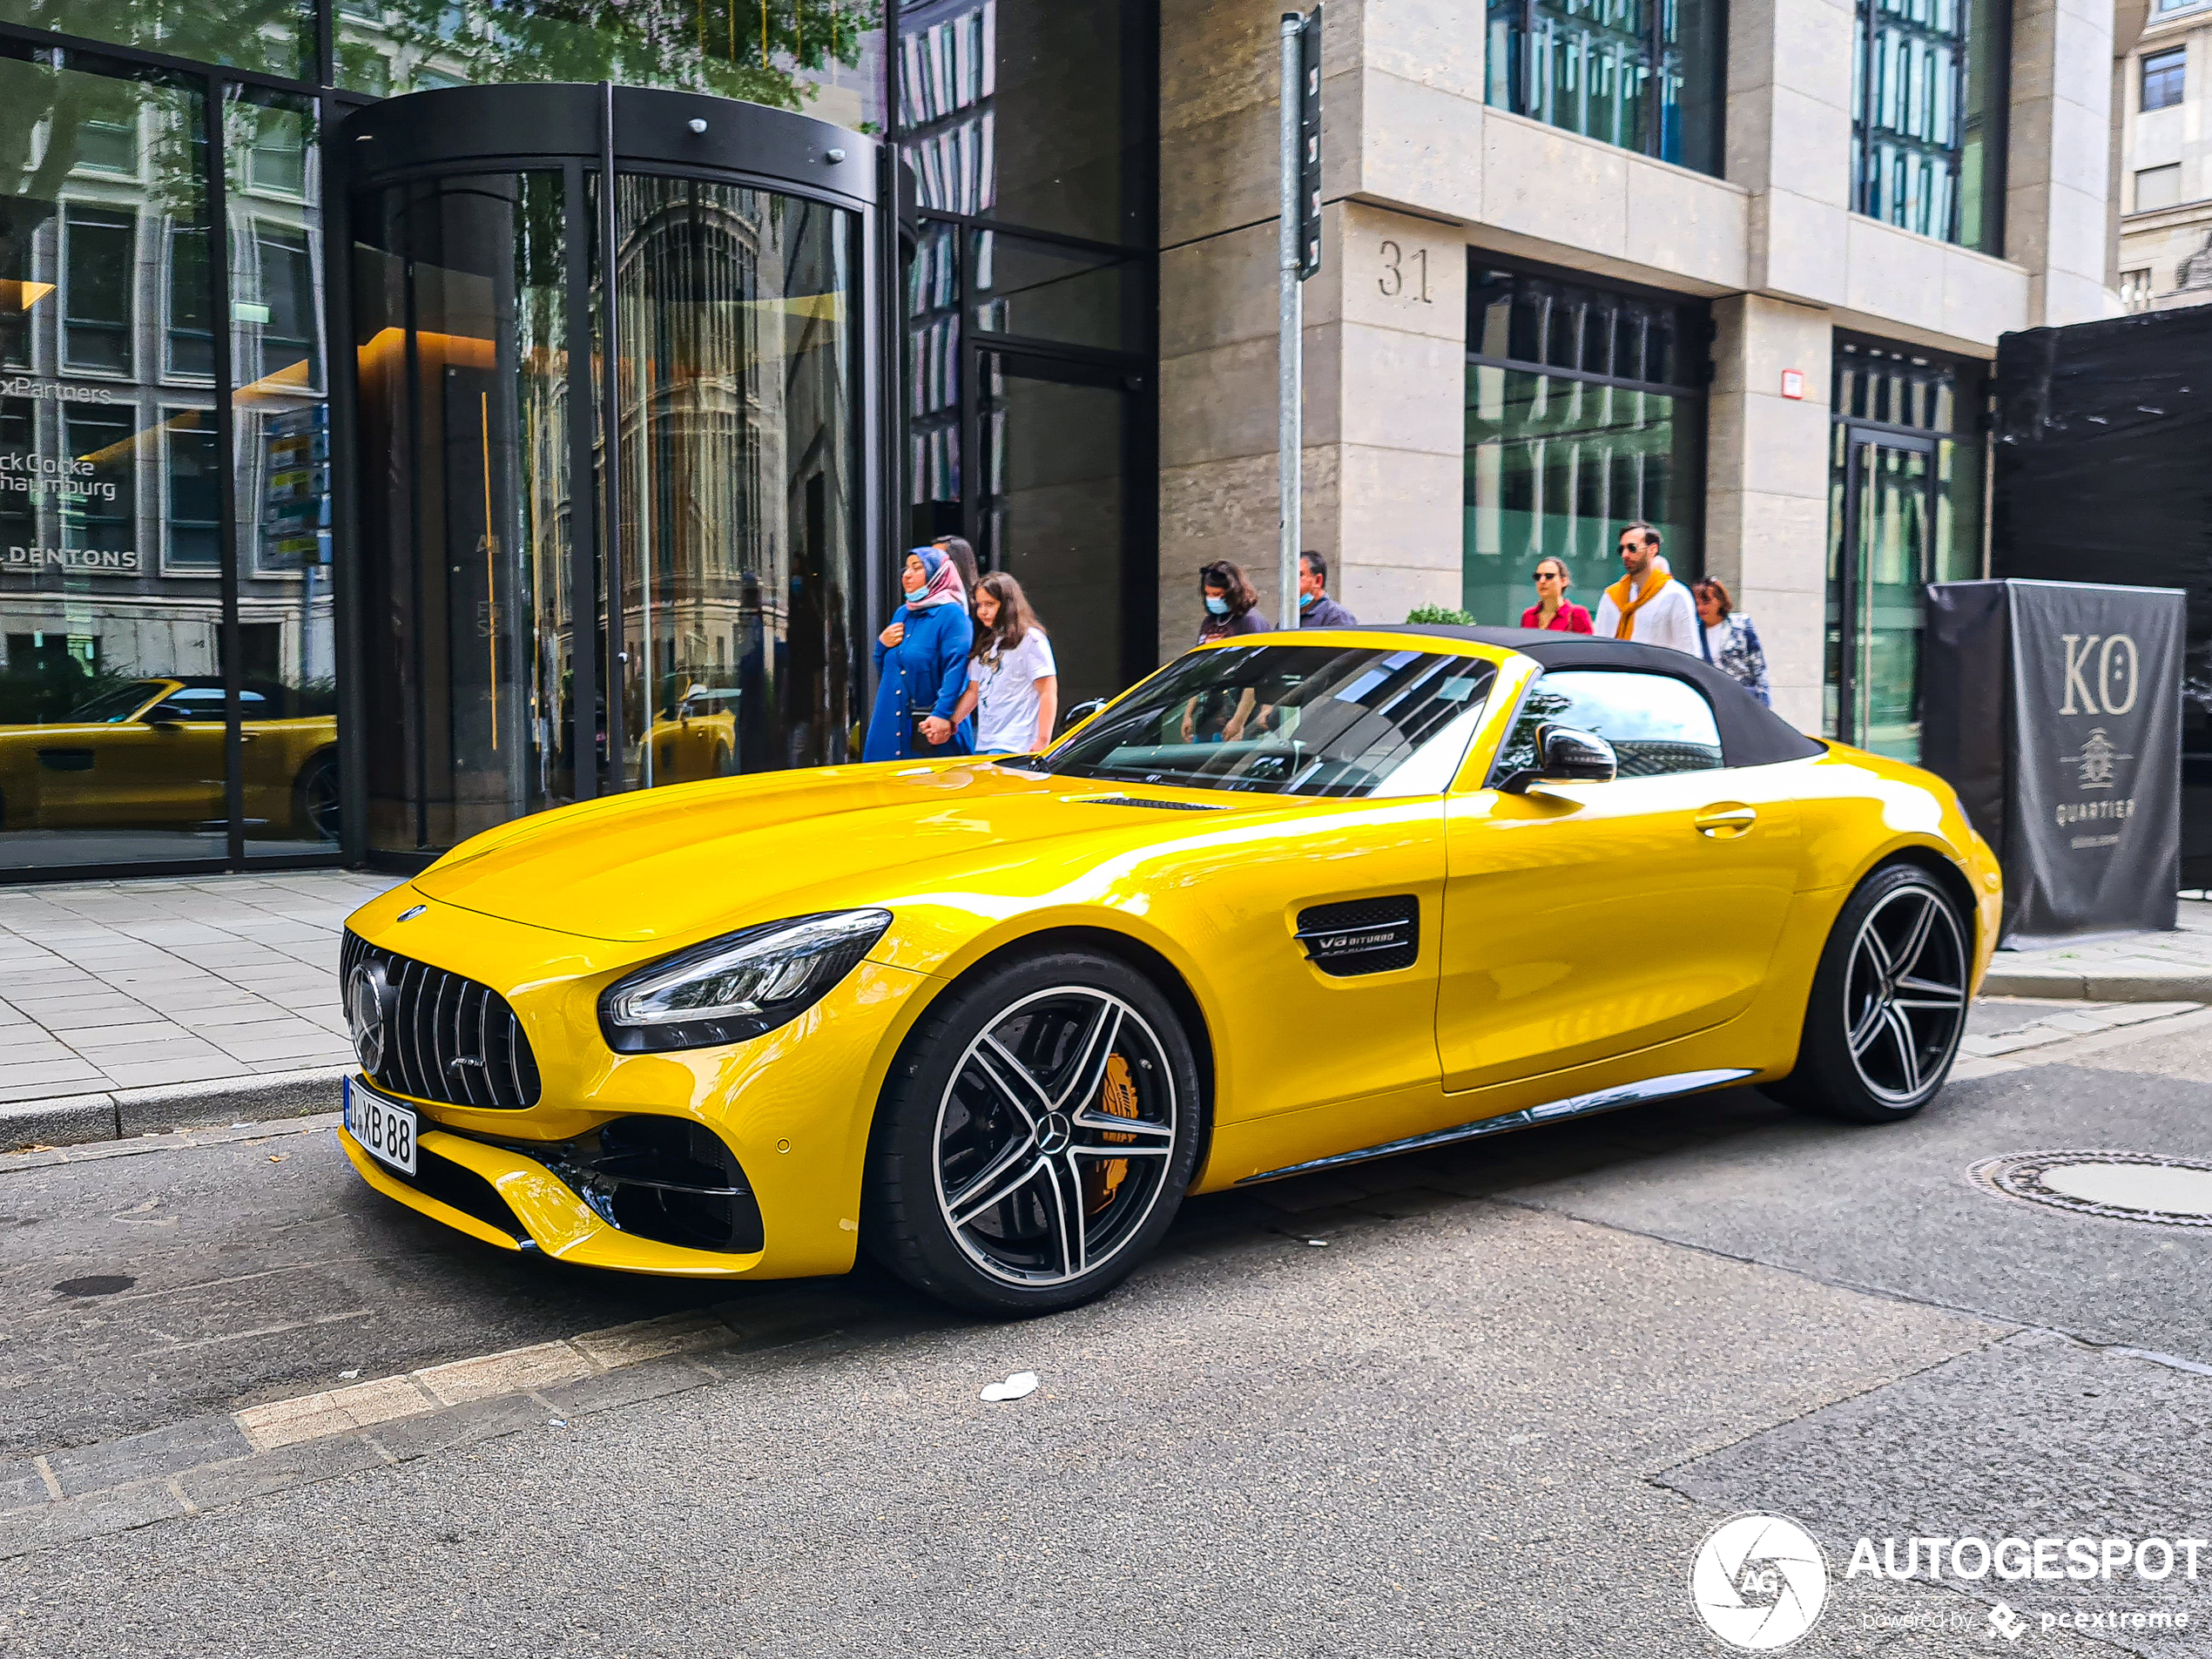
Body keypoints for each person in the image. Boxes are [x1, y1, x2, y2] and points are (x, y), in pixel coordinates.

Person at [863, 546, 975, 761]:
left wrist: (942, 715)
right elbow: (886, 667)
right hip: (889, 722)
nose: (907, 574)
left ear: (937, 575)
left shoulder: (952, 615)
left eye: (917, 568)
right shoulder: (903, 612)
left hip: (928, 728)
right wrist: (881, 645)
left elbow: (957, 670)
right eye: (906, 569)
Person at [954, 571, 1059, 754]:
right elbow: (974, 691)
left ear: (1008, 604)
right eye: (979, 605)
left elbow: (1048, 690)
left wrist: (1043, 740)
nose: (983, 611)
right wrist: (951, 722)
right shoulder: (987, 641)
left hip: (1017, 744)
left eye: (990, 604)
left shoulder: (1030, 639)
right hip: (985, 742)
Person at [1592, 521, 1699, 654]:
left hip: (1657, 674)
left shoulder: (1675, 594)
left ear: (1652, 549)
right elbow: (1599, 646)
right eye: (1622, 549)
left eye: (1632, 548)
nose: (1625, 555)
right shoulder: (1611, 596)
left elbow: (1689, 651)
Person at [1694, 577, 1772, 705]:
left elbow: (1758, 663)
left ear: (1719, 600)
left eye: (1706, 601)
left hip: (1743, 698)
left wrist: (1763, 699)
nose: (1701, 607)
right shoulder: (1695, 632)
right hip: (1712, 700)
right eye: (1697, 603)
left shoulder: (1741, 623)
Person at [1195, 560, 1271, 644]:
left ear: (1232, 593)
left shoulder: (1250, 621)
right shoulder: (1209, 622)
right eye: (1207, 594)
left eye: (1217, 594)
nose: (1211, 598)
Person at [1519, 556, 1593, 633]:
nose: (1542, 581)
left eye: (1549, 576)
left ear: (1563, 581)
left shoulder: (1577, 615)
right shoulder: (1528, 615)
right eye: (1537, 577)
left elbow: (1587, 644)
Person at [1296, 551, 1357, 626]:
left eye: (1299, 576)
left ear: (1318, 581)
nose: (1291, 583)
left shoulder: (1337, 617)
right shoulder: (1290, 617)